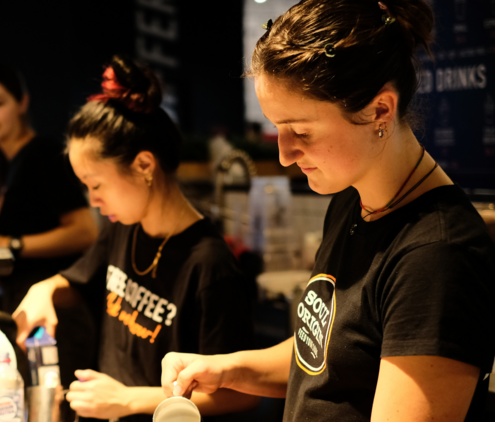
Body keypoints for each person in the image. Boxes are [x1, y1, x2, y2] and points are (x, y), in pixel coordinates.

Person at [160, 1, 495, 421]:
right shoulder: (350, 202)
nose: (283, 154)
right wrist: (225, 369)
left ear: (380, 111)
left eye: (300, 131)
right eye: (275, 128)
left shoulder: (438, 255)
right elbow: (328, 354)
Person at [12, 55, 260, 422]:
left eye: (96, 185)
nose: (93, 201)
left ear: (144, 165)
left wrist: (129, 400)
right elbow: (75, 277)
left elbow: (240, 396)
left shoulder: (210, 265)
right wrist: (44, 289)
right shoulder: (124, 225)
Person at [0, 62, 99, 388]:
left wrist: (11, 244)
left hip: (57, 319)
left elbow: (85, 231)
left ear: (22, 103)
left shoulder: (41, 154)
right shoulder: (10, 161)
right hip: (32, 316)